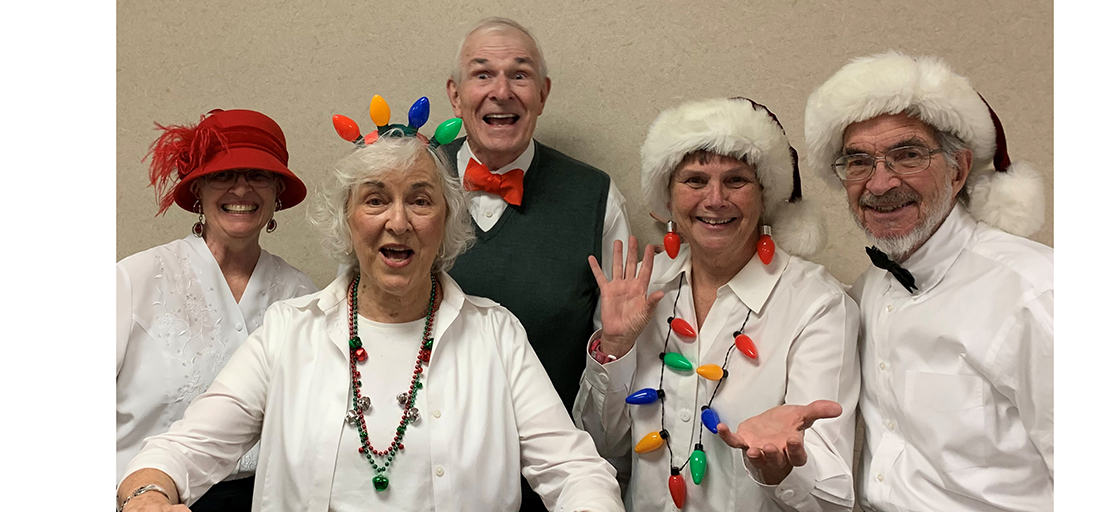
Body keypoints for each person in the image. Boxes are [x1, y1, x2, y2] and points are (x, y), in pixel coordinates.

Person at [116, 134, 624, 512]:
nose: (398, 221)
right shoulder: (288, 331)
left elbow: (574, 468)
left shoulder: (497, 334)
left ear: (446, 221)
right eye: (376, 199)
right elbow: (187, 446)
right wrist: (149, 492)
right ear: (348, 220)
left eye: (421, 200)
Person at [741, 51, 1053, 511]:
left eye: (907, 155)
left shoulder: (1036, 291)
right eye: (859, 162)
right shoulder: (866, 293)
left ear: (959, 168)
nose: (880, 183)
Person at [573, 97, 861, 511]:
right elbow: (601, 449)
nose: (715, 199)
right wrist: (613, 349)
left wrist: (781, 468)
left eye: (737, 181)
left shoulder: (817, 304)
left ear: (765, 196)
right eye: (694, 180)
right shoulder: (640, 287)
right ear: (669, 199)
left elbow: (832, 500)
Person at [441, 18, 632, 511]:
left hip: (553, 482)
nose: (501, 91)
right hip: (425, 473)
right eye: (482, 74)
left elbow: (616, 356)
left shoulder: (595, 196)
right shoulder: (409, 182)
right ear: (455, 95)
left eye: (519, 75)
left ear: (543, 93)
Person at [117, 109, 317, 512]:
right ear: (198, 192)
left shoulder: (303, 295)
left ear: (277, 192)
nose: (241, 189)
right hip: (145, 501)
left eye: (257, 175)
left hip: (266, 501)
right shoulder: (133, 280)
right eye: (223, 175)